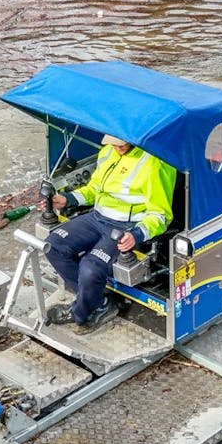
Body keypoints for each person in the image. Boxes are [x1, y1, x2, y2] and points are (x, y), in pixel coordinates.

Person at [44, 134, 176, 332]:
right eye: (113, 143)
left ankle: (81, 312)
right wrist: (68, 199)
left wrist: (137, 235)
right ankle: (97, 300)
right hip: (96, 218)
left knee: (91, 268)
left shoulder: (155, 164)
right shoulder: (107, 152)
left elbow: (161, 215)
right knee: (53, 245)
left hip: (125, 227)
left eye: (121, 143)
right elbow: (95, 189)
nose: (117, 147)